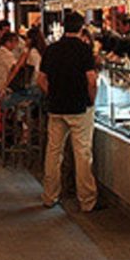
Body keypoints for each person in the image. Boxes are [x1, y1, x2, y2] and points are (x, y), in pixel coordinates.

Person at [39, 12, 99, 213]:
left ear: (63, 26)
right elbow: (91, 80)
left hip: (56, 108)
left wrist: (54, 93)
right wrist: (91, 99)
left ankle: (49, 196)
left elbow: (41, 79)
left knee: (54, 153)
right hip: (79, 108)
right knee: (82, 154)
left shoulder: (52, 49)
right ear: (82, 28)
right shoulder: (84, 50)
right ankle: (87, 201)